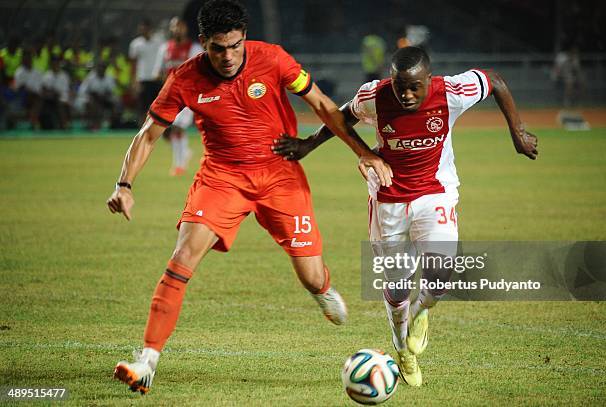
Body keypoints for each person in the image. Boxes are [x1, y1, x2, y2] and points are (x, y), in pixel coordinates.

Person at [106, 0, 391, 395]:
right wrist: (124, 184)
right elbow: (148, 134)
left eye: (235, 45)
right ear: (202, 42)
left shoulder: (273, 59)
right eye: (218, 48)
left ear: (245, 37)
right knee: (182, 258)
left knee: (310, 276)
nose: (228, 56)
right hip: (222, 178)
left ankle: (322, 290)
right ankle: (147, 361)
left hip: (280, 176)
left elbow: (324, 106)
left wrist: (364, 151)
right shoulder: (184, 78)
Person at [273, 46, 538, 386]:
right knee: (397, 289)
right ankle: (402, 346)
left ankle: (422, 313)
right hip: (389, 201)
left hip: (435, 193)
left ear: (429, 80)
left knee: (440, 274)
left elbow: (496, 81)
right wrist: (313, 144)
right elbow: (342, 116)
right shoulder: (375, 96)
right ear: (391, 80)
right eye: (401, 86)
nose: (407, 94)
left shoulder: (452, 92)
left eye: (415, 86)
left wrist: (517, 132)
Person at [152, 16, 203, 176]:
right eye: (174, 26)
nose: (177, 29)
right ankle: (185, 153)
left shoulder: (194, 48)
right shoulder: (164, 48)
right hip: (170, 96)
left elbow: (201, 71)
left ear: (185, 28)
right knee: (166, 131)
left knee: (177, 128)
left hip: (188, 96)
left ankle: (179, 165)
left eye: (180, 26)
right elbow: (157, 72)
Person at [129, 18, 164, 124]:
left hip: (157, 79)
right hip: (143, 79)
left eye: (145, 28)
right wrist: (133, 82)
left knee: (159, 106)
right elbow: (133, 65)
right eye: (141, 28)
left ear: (150, 29)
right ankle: (142, 130)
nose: (143, 30)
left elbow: (164, 59)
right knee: (143, 108)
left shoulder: (160, 41)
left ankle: (158, 128)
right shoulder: (135, 44)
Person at [77, 62, 119, 130]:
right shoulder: (90, 77)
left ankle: (113, 125)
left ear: (105, 69)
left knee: (115, 103)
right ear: (97, 69)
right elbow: (83, 91)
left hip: (104, 99)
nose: (101, 69)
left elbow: (111, 92)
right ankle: (93, 125)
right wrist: (95, 96)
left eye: (103, 68)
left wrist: (103, 96)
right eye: (100, 67)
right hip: (91, 99)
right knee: (92, 103)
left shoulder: (109, 77)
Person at [13, 50, 43, 129]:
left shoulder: (37, 72)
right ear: (23, 60)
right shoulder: (19, 72)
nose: (27, 60)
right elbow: (18, 88)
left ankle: (33, 121)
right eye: (25, 59)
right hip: (22, 97)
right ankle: (34, 122)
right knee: (33, 96)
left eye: (29, 58)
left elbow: (40, 87)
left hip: (37, 96)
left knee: (38, 98)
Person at [41, 55, 71, 129]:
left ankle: (65, 124)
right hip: (50, 100)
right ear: (51, 64)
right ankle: (64, 125)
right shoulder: (46, 76)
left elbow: (68, 90)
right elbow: (44, 90)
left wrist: (69, 99)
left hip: (64, 99)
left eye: (57, 62)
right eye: (54, 63)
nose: (55, 64)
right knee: (57, 101)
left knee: (63, 102)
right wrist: (53, 93)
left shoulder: (65, 75)